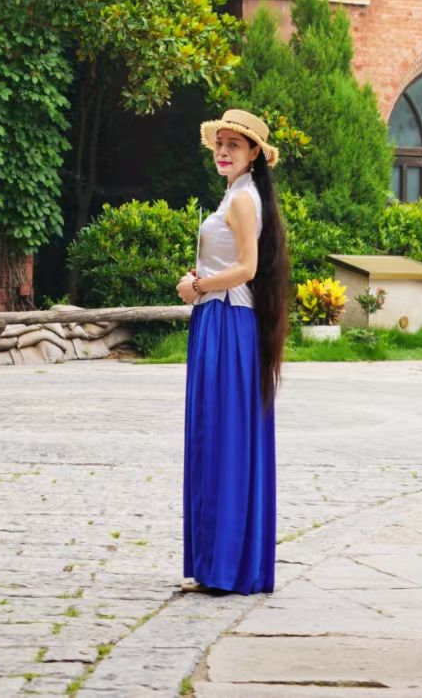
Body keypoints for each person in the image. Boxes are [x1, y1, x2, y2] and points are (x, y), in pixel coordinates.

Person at [176, 107, 290, 595]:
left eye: (235, 145)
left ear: (255, 155)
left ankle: (224, 566)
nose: (223, 151)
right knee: (217, 438)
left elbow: (246, 268)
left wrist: (198, 284)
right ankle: (218, 563)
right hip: (219, 321)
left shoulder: (243, 201)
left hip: (227, 321)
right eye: (220, 143)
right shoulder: (237, 195)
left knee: (222, 438)